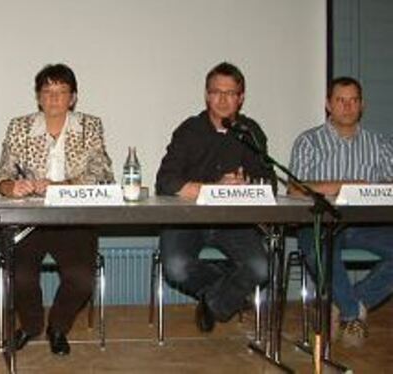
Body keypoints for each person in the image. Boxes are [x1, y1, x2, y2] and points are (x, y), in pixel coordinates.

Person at [0, 63, 114, 355]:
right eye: (47, 92)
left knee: (81, 278)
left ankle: (58, 326)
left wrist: (62, 185)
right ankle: (31, 325)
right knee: (19, 275)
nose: (54, 99)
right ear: (38, 97)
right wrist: (11, 186)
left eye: (61, 92)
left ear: (73, 97)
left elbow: (103, 173)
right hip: (29, 219)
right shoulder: (19, 126)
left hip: (73, 219)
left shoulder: (89, 126)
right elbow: (0, 173)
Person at [155, 62, 273, 333]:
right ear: (207, 95)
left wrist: (247, 185)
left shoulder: (250, 132)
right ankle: (227, 295)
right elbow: (165, 181)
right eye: (216, 92)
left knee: (260, 268)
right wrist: (215, 188)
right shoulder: (190, 130)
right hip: (188, 219)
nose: (222, 99)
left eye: (230, 93)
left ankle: (213, 301)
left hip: (234, 222)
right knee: (175, 266)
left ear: (241, 98)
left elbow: (268, 182)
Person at [289, 76, 393, 347]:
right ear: (328, 104)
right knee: (317, 250)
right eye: (340, 100)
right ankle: (350, 313)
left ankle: (350, 304)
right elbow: (296, 190)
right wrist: (344, 186)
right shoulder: (309, 141)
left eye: (353, 101)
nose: (347, 107)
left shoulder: (379, 144)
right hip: (320, 225)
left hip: (366, 225)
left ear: (362, 105)